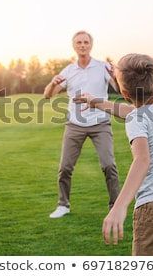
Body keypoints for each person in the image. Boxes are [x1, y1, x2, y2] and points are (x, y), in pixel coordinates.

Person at [74, 53, 153, 255]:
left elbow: (142, 160)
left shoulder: (137, 118)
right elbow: (132, 111)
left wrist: (119, 206)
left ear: (124, 93)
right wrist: (96, 102)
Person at [43, 30, 122, 219]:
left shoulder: (103, 67)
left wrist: (117, 76)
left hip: (100, 123)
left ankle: (115, 207)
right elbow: (47, 95)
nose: (83, 45)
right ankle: (63, 205)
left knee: (109, 165)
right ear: (74, 46)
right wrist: (52, 83)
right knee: (65, 168)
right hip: (75, 124)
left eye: (86, 42)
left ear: (91, 45)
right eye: (79, 42)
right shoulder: (68, 71)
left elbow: (121, 90)